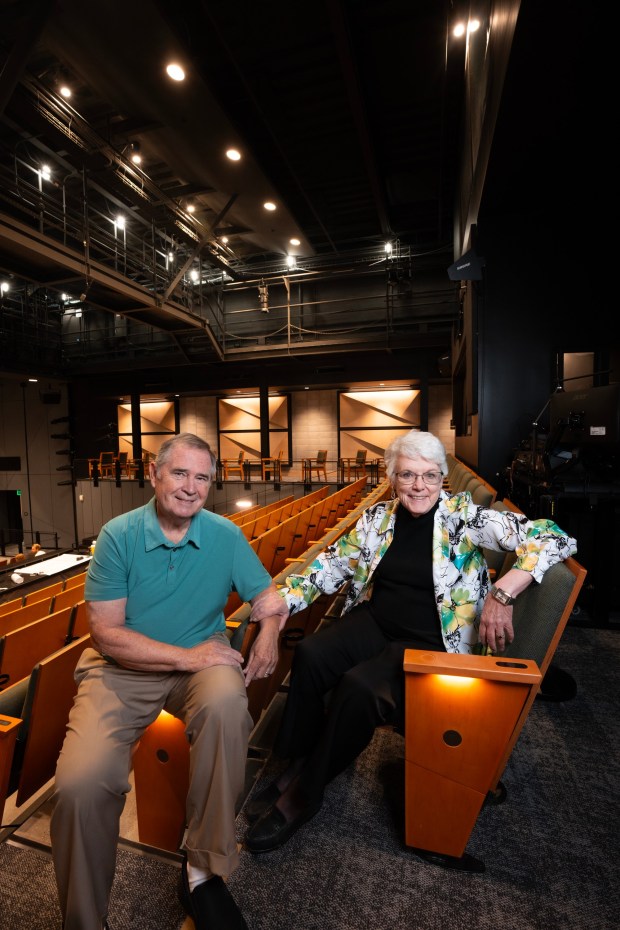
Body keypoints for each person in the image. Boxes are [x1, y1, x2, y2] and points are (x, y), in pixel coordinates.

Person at [243, 429, 577, 854]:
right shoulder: (377, 519)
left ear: (442, 479)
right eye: (407, 475)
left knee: (360, 689)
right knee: (310, 652)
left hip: (433, 639)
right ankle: (297, 763)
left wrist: (503, 590)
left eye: (430, 476)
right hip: (377, 621)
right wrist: (280, 600)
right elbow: (328, 567)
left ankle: (304, 795)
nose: (419, 486)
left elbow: (555, 536)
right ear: (392, 478)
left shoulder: (463, 517)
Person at [50, 433, 285, 930]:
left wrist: (269, 636)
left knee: (227, 707)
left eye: (202, 477)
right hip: (122, 671)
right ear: (154, 475)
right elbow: (108, 635)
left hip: (202, 667)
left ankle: (202, 871)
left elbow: (268, 597)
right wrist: (187, 656)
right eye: (180, 473)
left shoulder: (224, 534)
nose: (190, 487)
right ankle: (84, 920)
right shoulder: (118, 535)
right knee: (79, 784)